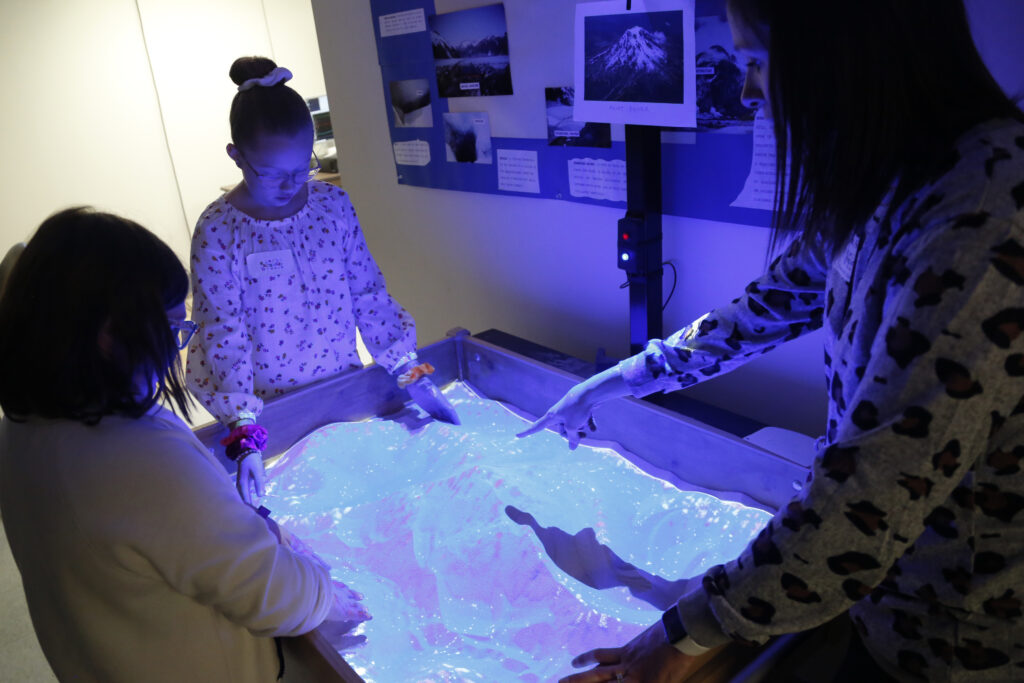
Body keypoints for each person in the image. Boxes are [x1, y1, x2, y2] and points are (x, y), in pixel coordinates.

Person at [519, 1, 1024, 681]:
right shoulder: (896, 180)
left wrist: (681, 633)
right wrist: (614, 380)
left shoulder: (984, 216)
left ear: (840, 57)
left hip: (959, 650)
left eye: (756, 62)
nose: (749, 89)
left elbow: (865, 501)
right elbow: (759, 311)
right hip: (886, 616)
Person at [0, 208, 367, 682]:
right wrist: (321, 588)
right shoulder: (136, 459)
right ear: (109, 335)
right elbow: (278, 597)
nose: (177, 347)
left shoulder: (22, 426)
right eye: (174, 331)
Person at [188, 56, 457, 506]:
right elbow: (222, 332)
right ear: (236, 156)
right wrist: (244, 431)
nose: (291, 185)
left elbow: (369, 293)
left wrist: (410, 372)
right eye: (272, 174)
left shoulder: (332, 207)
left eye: (302, 168)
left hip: (341, 388)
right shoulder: (219, 231)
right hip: (269, 407)